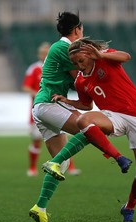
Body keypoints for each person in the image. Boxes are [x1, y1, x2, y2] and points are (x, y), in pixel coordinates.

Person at [29, 38, 136, 222]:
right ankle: (118, 157)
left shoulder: (105, 58)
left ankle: (129, 206)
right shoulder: (80, 81)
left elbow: (126, 56)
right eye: (75, 63)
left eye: (81, 61)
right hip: (112, 116)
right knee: (84, 121)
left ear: (90, 54)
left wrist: (101, 54)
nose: (79, 66)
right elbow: (87, 106)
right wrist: (68, 101)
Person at [22, 41, 80, 176]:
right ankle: (32, 168)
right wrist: (38, 95)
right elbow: (25, 87)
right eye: (43, 53)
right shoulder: (34, 69)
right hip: (40, 107)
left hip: (55, 107)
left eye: (48, 53)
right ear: (39, 55)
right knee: (36, 140)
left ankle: (70, 167)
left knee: (63, 137)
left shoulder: (57, 67)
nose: (45, 55)